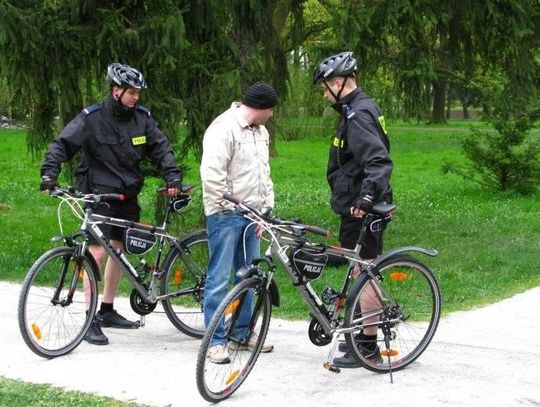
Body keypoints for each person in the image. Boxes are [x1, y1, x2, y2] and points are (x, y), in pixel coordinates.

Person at [40, 63, 182, 346]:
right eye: (131, 92)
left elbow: (160, 147)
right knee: (96, 254)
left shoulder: (141, 119)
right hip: (98, 193)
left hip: (127, 195)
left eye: (138, 93)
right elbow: (62, 145)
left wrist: (172, 174)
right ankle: (90, 316)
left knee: (118, 250)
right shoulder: (92, 118)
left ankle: (106, 309)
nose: (136, 97)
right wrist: (49, 174)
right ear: (116, 90)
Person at [313, 51, 393, 368]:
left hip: (362, 209)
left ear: (338, 82)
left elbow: (378, 161)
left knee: (365, 271)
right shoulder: (356, 110)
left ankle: (368, 346)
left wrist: (366, 198)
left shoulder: (357, 115)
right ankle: (361, 336)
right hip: (355, 206)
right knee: (360, 270)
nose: (323, 93)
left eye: (324, 87)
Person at [200, 81, 277, 364]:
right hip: (226, 215)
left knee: (250, 277)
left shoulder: (261, 132)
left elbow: (263, 173)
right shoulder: (224, 128)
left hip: (253, 215)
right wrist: (225, 207)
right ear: (260, 107)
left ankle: (242, 333)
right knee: (219, 279)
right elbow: (211, 175)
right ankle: (215, 341)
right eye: (271, 110)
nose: (272, 115)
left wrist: (265, 210)